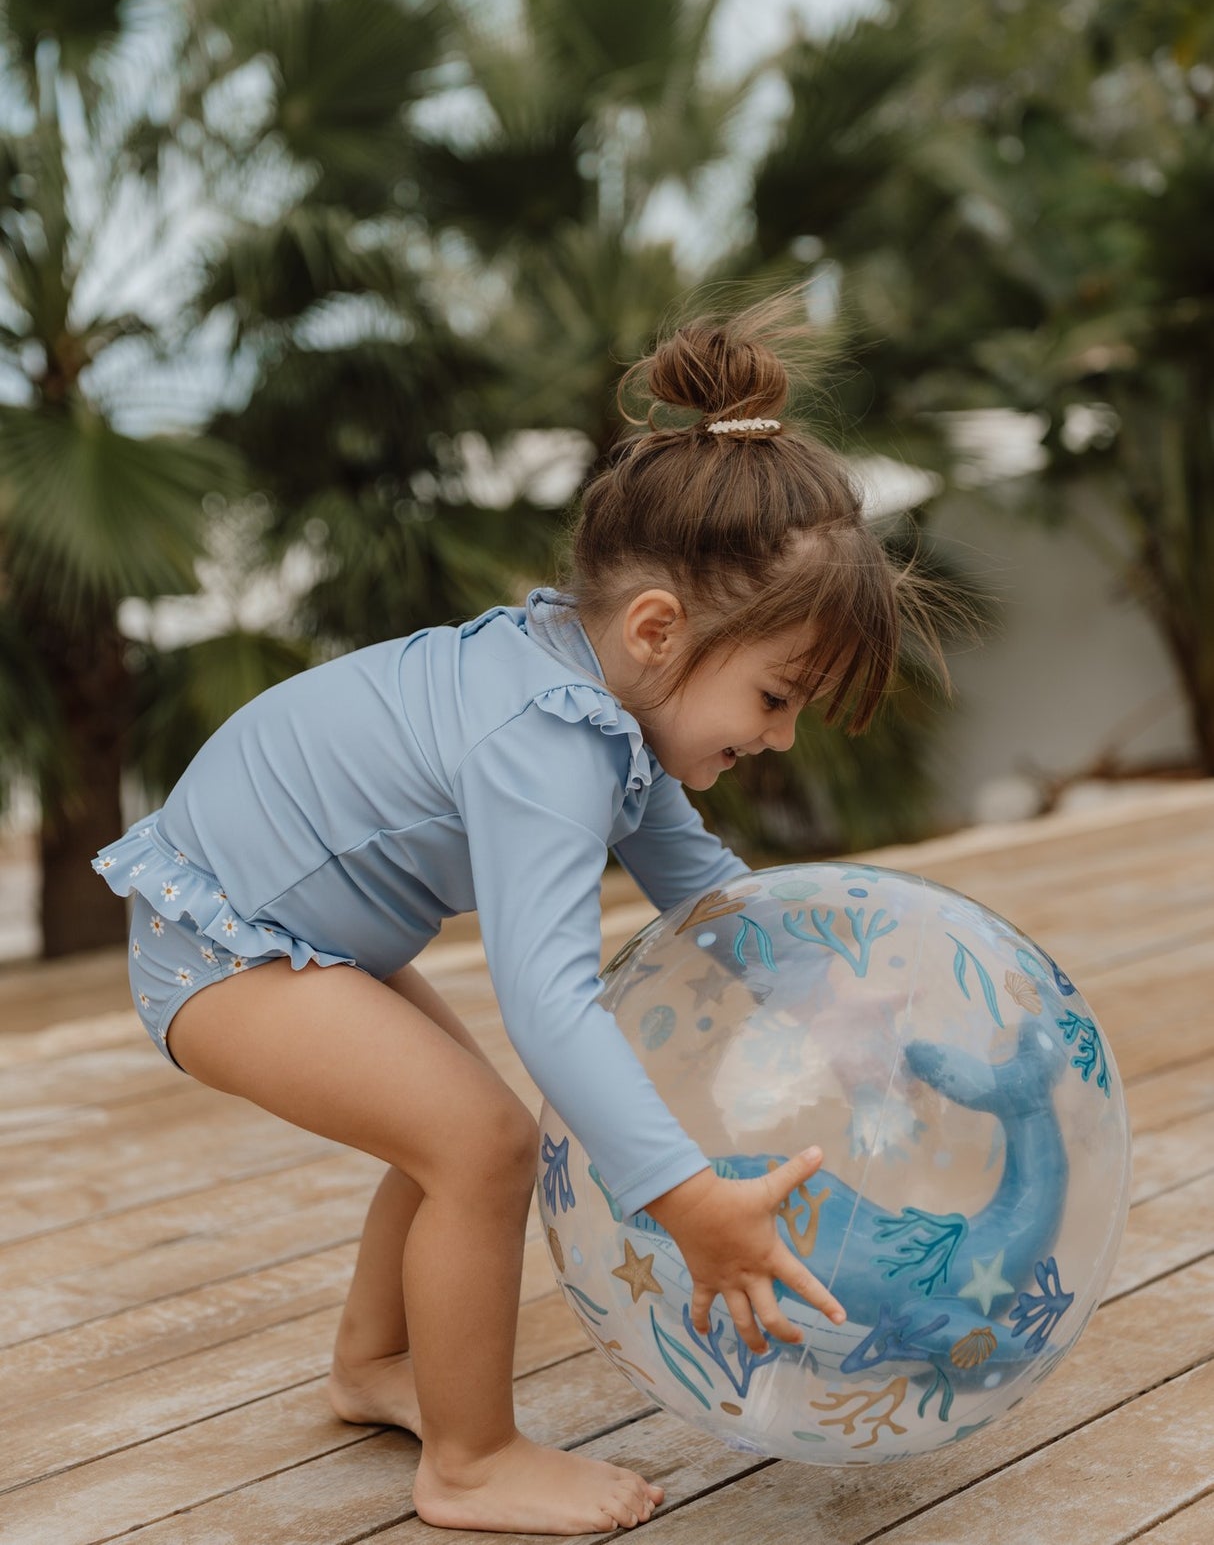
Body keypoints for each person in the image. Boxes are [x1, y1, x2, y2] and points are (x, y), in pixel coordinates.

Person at [92, 298, 947, 1536]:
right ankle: (471, 1460)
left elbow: (701, 892)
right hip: (221, 943)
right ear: (657, 630)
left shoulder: (602, 698)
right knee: (482, 1141)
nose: (778, 735)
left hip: (290, 927)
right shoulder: (549, 746)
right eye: (774, 694)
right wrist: (685, 1198)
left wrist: (824, 1001)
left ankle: (372, 1364)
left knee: (446, 1120)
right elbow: (551, 1001)